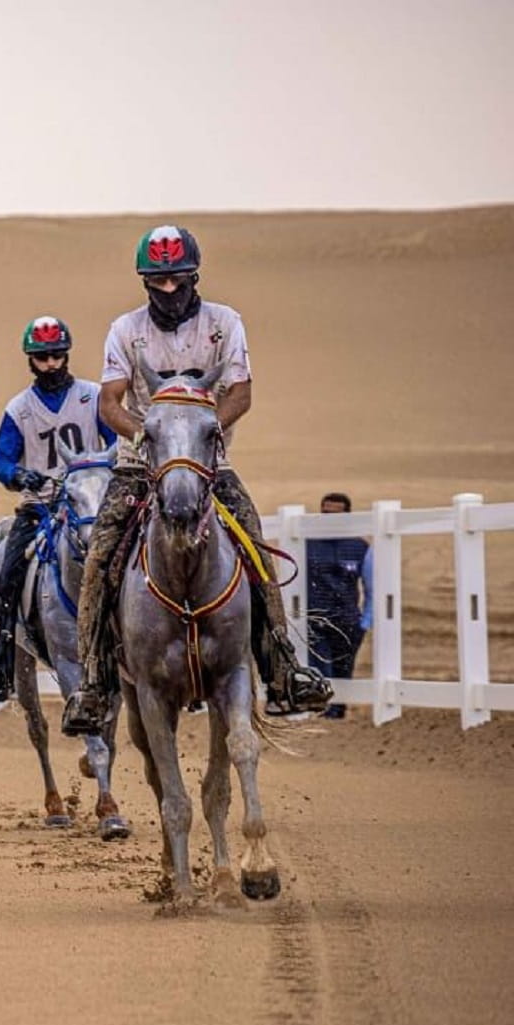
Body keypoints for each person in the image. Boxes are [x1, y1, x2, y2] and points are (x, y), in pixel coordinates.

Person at [60, 226, 333, 734]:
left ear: (194, 276)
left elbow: (241, 393)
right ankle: (94, 684)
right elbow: (110, 401)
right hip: (140, 463)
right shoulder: (126, 330)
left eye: (177, 280)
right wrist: (151, 435)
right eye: (156, 281)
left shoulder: (224, 323)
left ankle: (283, 670)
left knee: (253, 546)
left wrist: (203, 431)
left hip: (209, 466)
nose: (167, 291)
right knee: (99, 556)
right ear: (145, 282)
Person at [0, 316, 115, 701]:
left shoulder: (93, 396)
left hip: (93, 507)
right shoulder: (20, 409)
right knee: (8, 572)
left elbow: (117, 441)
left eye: (56, 355)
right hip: (40, 508)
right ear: (30, 361)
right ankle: (1, 659)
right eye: (42, 357)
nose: (51, 364)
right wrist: (21, 475)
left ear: (66, 355)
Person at [305, 492, 370, 719]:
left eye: (335, 513)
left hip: (347, 621)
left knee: (343, 671)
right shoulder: (306, 545)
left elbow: (371, 585)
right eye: (325, 513)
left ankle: (337, 712)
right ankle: (327, 711)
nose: (328, 517)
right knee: (322, 667)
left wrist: (365, 622)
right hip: (315, 619)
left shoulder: (359, 548)